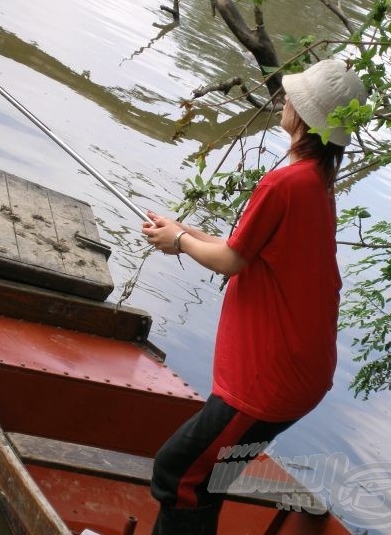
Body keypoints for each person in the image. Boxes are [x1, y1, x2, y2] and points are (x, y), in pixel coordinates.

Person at [142, 59, 367, 534]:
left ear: (303, 117)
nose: (284, 100)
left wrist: (178, 243)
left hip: (268, 382)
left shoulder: (285, 183)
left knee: (179, 475)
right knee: (209, 477)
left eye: (292, 98)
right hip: (300, 375)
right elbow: (245, 250)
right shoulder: (318, 183)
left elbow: (231, 262)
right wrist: (182, 229)